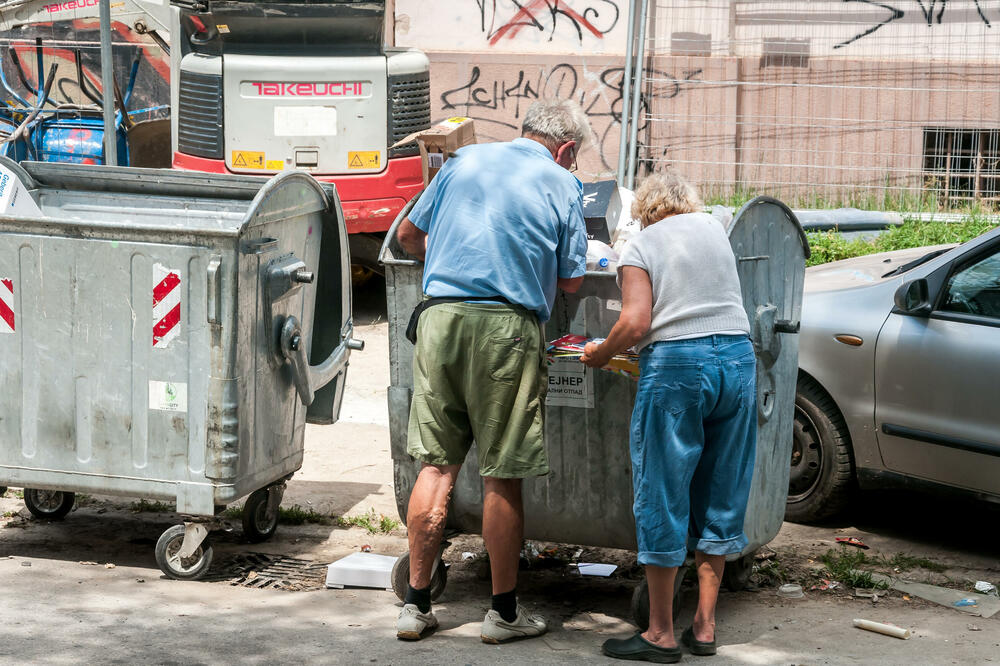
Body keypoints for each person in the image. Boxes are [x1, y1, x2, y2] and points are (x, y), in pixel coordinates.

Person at [393, 99, 592, 644]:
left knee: (434, 466)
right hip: (506, 327)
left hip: (439, 321)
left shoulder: (464, 161)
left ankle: (416, 606)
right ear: (566, 149)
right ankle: (502, 614)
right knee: (501, 473)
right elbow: (573, 282)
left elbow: (408, 237)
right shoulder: (560, 181)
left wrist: (453, 262)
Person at [581, 171, 756, 663]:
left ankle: (659, 633)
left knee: (663, 489)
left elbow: (636, 321)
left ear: (646, 210)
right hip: (738, 362)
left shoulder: (641, 244)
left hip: (680, 366)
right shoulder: (715, 230)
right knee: (721, 490)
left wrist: (601, 351)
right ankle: (704, 626)